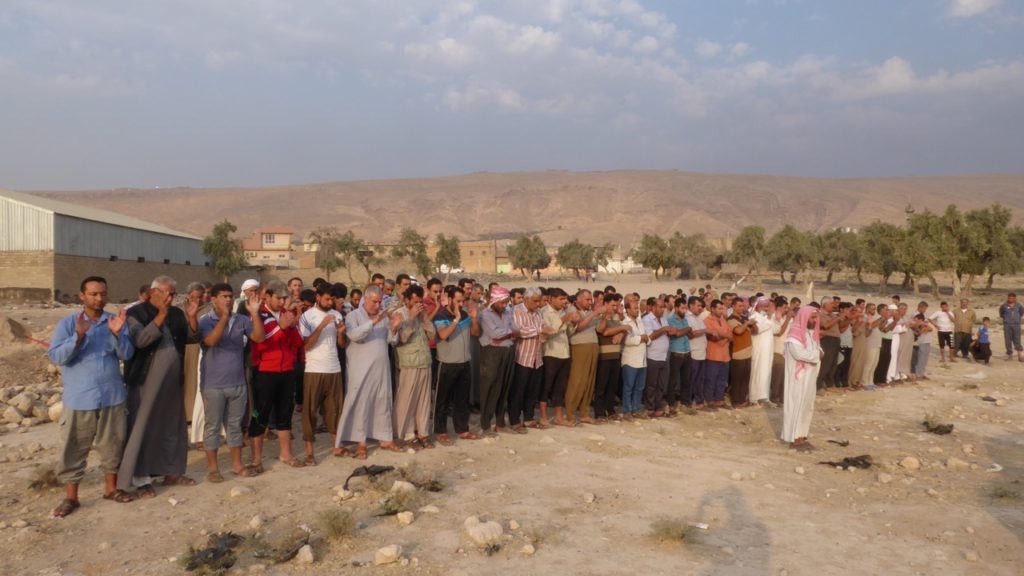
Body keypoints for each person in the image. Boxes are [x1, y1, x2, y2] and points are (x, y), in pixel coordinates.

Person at [48, 276, 135, 517]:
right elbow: (57, 357)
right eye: (94, 294)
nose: (99, 298)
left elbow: (127, 354)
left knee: (113, 444)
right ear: (82, 296)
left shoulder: (114, 322)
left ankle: (111, 489)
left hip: (112, 396)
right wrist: (78, 337)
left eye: (103, 294)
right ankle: (71, 497)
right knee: (74, 447)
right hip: (80, 398)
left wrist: (118, 335)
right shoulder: (68, 324)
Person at [118, 276, 199, 497]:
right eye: (166, 293)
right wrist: (161, 315)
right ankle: (141, 478)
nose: (170, 298)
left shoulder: (176, 313)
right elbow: (141, 341)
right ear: (153, 293)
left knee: (172, 425)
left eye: (173, 293)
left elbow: (192, 338)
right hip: (146, 380)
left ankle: (172, 472)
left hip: (172, 380)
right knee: (144, 426)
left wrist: (191, 318)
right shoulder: (136, 314)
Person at [198, 283, 265, 482]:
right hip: (213, 384)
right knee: (212, 426)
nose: (228, 300)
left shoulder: (242, 320)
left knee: (235, 426)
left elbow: (259, 338)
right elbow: (210, 341)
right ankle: (213, 469)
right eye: (223, 296)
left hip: (237, 382)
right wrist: (225, 318)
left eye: (230, 296)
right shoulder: (205, 321)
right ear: (213, 299)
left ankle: (237, 465)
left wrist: (256, 314)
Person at [335, 286, 402, 459]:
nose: (377, 305)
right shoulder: (353, 316)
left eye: (380, 301)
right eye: (374, 301)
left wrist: (394, 328)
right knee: (361, 403)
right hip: (360, 368)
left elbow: (391, 341)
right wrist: (373, 322)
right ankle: (361, 443)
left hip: (381, 368)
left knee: (383, 400)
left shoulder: (384, 317)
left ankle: (385, 438)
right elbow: (355, 336)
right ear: (365, 299)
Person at [248, 280, 304, 471]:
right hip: (265, 371)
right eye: (278, 298)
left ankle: (286, 454)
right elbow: (261, 343)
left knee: (285, 413)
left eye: (284, 298)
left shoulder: (285, 314)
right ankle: (256, 459)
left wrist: (291, 325)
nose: (281, 302)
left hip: (286, 370)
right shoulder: (259, 315)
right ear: (268, 296)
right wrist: (281, 328)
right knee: (260, 415)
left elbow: (297, 342)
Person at [298, 283, 346, 466]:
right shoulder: (307, 317)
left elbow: (341, 345)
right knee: (310, 412)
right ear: (318, 297)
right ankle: (310, 452)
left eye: (332, 299)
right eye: (326, 298)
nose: (329, 302)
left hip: (334, 368)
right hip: (314, 369)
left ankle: (337, 447)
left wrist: (341, 333)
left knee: (334, 410)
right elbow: (306, 345)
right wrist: (322, 326)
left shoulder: (337, 315)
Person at [432, 285, 482, 444]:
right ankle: (440, 431)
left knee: (462, 399)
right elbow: (443, 335)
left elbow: (475, 333)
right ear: (450, 299)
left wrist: (473, 318)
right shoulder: (441, 316)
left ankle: (462, 429)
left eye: (463, 301)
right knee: (443, 400)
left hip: (464, 363)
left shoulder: (466, 315)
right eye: (458, 301)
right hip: (446, 364)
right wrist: (455, 319)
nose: (461, 304)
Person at [390, 284, 436, 448]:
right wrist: (410, 317)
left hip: (424, 362)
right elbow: (401, 338)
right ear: (407, 300)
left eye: (420, 301)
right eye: (415, 301)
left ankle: (423, 433)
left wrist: (424, 318)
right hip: (408, 363)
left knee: (424, 400)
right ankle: (408, 435)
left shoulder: (422, 314)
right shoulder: (399, 314)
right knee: (407, 400)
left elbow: (432, 336)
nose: (418, 304)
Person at [782, 305, 821, 452]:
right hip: (798, 379)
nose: (815, 320)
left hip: (810, 377)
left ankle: (802, 436)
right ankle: (794, 439)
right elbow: (800, 355)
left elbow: (819, 351)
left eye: (815, 317)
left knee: (806, 406)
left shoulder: (811, 335)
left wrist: (815, 355)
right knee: (796, 406)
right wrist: (816, 356)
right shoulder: (794, 337)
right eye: (812, 317)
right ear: (804, 317)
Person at [478, 286, 516, 434]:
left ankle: (500, 423)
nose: (504, 305)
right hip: (492, 353)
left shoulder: (508, 312)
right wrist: (509, 334)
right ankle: (485, 424)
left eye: (506, 302)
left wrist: (506, 335)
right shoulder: (485, 315)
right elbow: (494, 334)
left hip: (508, 351)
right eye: (502, 302)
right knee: (489, 387)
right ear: (494, 301)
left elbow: (516, 329)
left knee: (504, 387)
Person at [564, 290, 603, 424]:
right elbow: (578, 327)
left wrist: (605, 315)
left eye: (590, 299)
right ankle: (570, 412)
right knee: (577, 379)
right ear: (579, 299)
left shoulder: (589, 312)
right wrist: (594, 313)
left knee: (589, 380)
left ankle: (584, 412)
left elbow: (599, 329)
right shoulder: (572, 309)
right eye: (587, 299)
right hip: (579, 346)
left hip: (593, 345)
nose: (590, 302)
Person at [510, 287, 546, 431]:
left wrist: (544, 334)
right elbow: (519, 331)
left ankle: (529, 418)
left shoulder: (538, 313)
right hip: (522, 357)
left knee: (533, 390)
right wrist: (539, 331)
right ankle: (514, 421)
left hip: (537, 357)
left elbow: (543, 327)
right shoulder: (517, 311)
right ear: (526, 299)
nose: (538, 304)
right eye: (535, 301)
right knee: (518, 391)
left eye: (539, 301)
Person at [540, 288, 577, 426]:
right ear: (551, 298)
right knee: (546, 386)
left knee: (560, 387)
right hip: (550, 352)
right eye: (561, 299)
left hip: (564, 352)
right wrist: (564, 319)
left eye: (565, 299)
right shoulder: (544, 312)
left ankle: (559, 417)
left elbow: (568, 333)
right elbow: (549, 331)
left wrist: (573, 323)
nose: (564, 302)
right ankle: (543, 416)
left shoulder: (563, 312)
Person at [594, 294, 629, 421]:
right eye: (612, 305)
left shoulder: (616, 317)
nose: (615, 308)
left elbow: (626, 328)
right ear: (605, 304)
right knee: (601, 386)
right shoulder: (599, 315)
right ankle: (599, 412)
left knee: (612, 385)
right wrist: (620, 328)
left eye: (617, 305)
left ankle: (610, 409)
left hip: (615, 354)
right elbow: (601, 331)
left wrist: (621, 332)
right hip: (604, 355)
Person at [642, 297, 672, 417]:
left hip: (664, 356)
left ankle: (658, 406)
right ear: (653, 307)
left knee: (661, 384)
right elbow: (650, 336)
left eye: (663, 307)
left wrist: (670, 331)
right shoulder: (647, 319)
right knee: (651, 384)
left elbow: (665, 333)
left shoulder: (664, 319)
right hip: (653, 356)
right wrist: (663, 330)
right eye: (660, 307)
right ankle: (649, 407)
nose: (662, 309)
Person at [620, 298, 649, 420]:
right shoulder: (624, 323)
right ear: (627, 310)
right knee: (628, 387)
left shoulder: (640, 321)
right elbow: (626, 341)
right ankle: (627, 410)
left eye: (638, 308)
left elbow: (647, 337)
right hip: (630, 360)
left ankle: (636, 409)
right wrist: (641, 338)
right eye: (635, 308)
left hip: (642, 360)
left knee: (640, 387)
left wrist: (644, 338)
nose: (638, 310)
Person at [726, 298, 755, 407]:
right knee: (737, 379)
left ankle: (743, 399)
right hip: (737, 352)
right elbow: (738, 331)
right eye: (739, 306)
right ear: (733, 306)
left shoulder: (743, 318)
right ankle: (736, 401)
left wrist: (753, 323)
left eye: (743, 306)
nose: (742, 308)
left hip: (747, 352)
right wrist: (747, 323)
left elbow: (754, 331)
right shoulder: (731, 319)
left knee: (745, 378)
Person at [666, 298, 693, 415]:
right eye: (682, 308)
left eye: (686, 308)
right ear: (676, 308)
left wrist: (686, 330)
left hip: (687, 353)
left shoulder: (685, 320)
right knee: (672, 381)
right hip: (676, 354)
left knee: (686, 380)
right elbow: (676, 333)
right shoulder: (670, 320)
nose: (684, 310)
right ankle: (671, 404)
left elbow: (689, 334)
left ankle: (685, 403)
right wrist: (687, 329)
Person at [704, 300, 731, 409]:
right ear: (713, 309)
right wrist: (726, 337)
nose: (721, 311)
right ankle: (709, 400)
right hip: (713, 355)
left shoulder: (723, 319)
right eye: (719, 309)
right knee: (711, 379)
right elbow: (714, 337)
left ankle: (719, 399)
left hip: (725, 355)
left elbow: (730, 335)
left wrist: (723, 336)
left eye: (722, 309)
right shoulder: (707, 320)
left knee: (722, 380)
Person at [685, 297, 710, 409]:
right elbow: (692, 333)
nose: (700, 308)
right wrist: (705, 331)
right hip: (693, 352)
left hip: (702, 352)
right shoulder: (687, 318)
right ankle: (689, 401)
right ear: (691, 306)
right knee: (691, 378)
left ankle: (699, 400)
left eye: (701, 306)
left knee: (700, 379)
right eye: (698, 305)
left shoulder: (699, 318)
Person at [748, 297, 774, 405]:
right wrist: (768, 318)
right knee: (757, 371)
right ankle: (754, 397)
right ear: (758, 306)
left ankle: (764, 396)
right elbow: (757, 330)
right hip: (759, 349)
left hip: (767, 350)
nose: (766, 308)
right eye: (764, 306)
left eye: (768, 306)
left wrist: (768, 318)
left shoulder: (765, 317)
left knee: (766, 372)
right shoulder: (754, 316)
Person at [769, 297, 792, 404]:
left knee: (785, 376)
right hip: (776, 349)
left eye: (787, 307)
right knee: (777, 375)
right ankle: (774, 397)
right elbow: (779, 332)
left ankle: (782, 398)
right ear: (778, 308)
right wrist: (787, 319)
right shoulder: (773, 317)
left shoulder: (788, 319)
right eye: (784, 307)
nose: (787, 309)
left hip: (786, 350)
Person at [816, 298, 841, 389]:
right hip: (827, 340)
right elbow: (825, 325)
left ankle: (828, 384)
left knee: (832, 364)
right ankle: (818, 385)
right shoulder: (821, 314)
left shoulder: (832, 315)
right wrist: (839, 317)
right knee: (825, 363)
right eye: (831, 303)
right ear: (824, 304)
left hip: (835, 339)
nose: (833, 305)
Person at [998, 292, 1024, 361]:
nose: (1011, 299)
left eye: (1013, 298)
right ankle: (1010, 355)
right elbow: (1001, 314)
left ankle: (1020, 356)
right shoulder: (1004, 306)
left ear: (1015, 298)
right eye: (1010, 298)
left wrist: (1017, 320)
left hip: (1016, 325)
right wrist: (1007, 319)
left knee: (1017, 340)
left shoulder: (1019, 306)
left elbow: (1021, 313)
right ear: (1008, 298)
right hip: (1007, 325)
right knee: (1008, 340)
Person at [913, 301, 933, 379]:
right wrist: (924, 328)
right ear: (920, 307)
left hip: (927, 338)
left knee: (925, 358)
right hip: (920, 339)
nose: (925, 310)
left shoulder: (925, 315)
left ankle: (922, 373)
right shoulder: (915, 315)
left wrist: (927, 328)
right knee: (920, 357)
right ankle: (918, 374)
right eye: (924, 308)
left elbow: (929, 327)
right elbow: (917, 326)